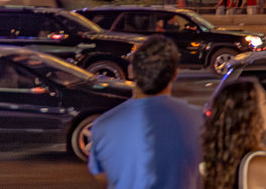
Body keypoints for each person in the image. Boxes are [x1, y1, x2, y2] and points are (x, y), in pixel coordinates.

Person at [87, 35, 204, 189]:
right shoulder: (198, 120)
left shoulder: (103, 125)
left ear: (132, 71)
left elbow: (102, 175)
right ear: (175, 74)